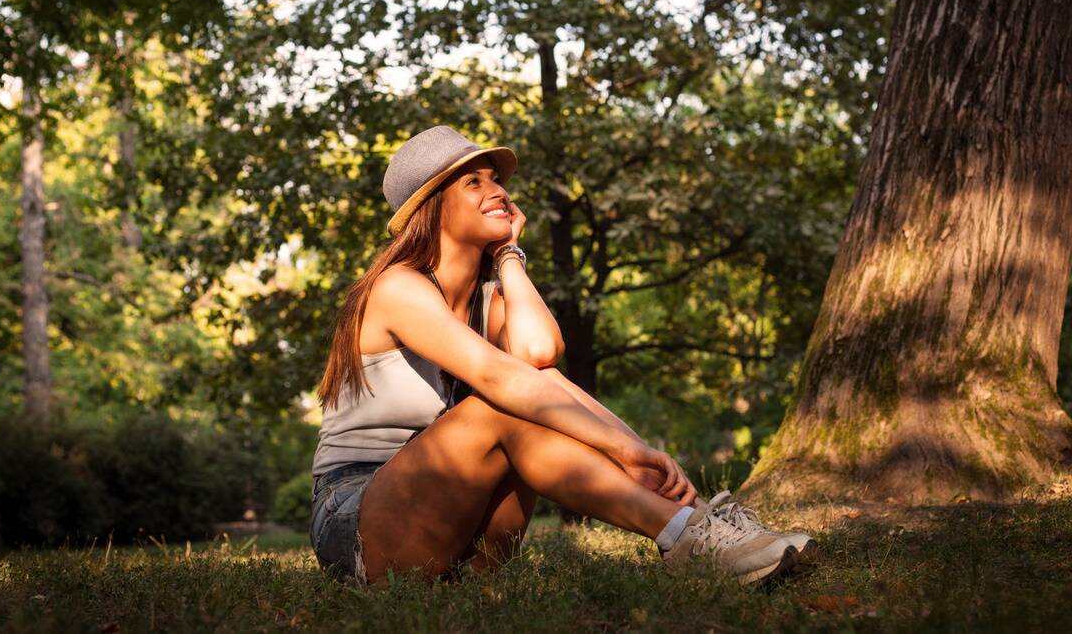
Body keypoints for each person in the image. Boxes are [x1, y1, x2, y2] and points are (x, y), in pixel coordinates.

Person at [309, 125, 815, 587]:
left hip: (448, 526)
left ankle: (703, 520)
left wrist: (508, 255)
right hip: (356, 520)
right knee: (498, 401)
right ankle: (687, 537)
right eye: (474, 183)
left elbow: (539, 355)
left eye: (496, 180)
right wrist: (621, 450)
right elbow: (496, 377)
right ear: (432, 206)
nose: (499, 191)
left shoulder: (490, 297)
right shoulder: (398, 287)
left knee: (533, 383)